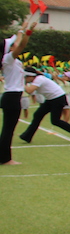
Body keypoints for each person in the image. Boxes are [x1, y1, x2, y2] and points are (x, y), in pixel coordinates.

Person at [19, 68, 70, 143]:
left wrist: (21, 83)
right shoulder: (38, 79)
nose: (25, 79)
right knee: (38, 115)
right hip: (52, 98)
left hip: (57, 98)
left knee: (55, 121)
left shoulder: (39, 79)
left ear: (31, 76)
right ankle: (27, 136)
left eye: (26, 77)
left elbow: (29, 91)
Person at [0, 26, 32, 165]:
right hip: (12, 98)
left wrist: (22, 29)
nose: (16, 45)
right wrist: (29, 32)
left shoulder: (11, 59)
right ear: (10, 49)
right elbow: (22, 44)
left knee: (8, 129)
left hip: (12, 97)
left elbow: (19, 42)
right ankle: (5, 159)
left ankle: (4, 157)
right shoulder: (8, 58)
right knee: (8, 130)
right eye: (13, 45)